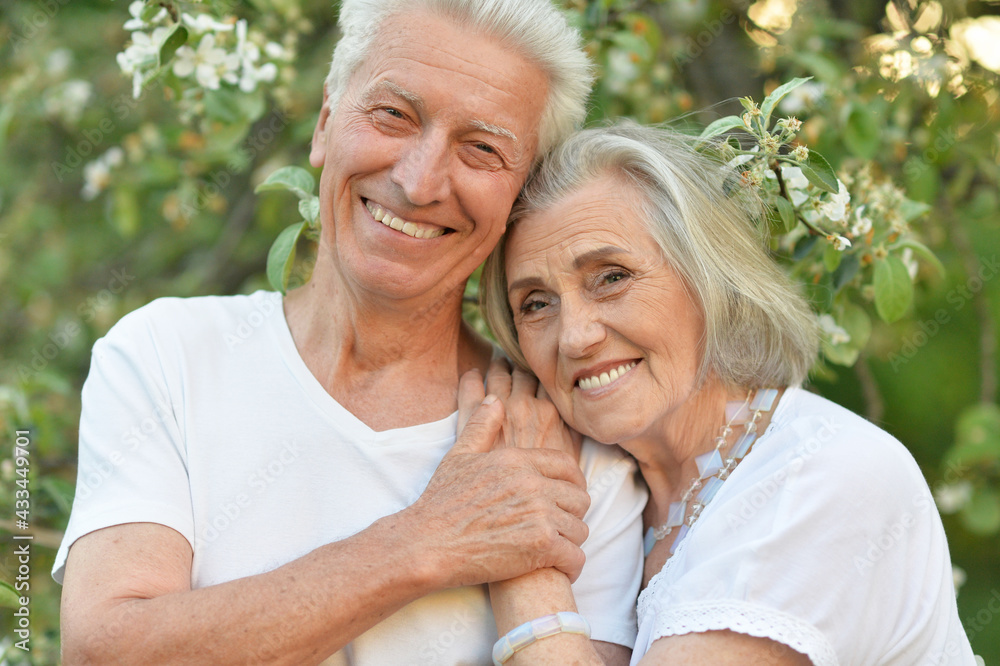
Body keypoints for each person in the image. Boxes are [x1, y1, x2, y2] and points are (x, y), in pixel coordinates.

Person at [54, 2, 646, 664]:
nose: (418, 182)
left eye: (482, 149)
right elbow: (104, 653)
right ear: (326, 124)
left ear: (520, 201)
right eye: (394, 115)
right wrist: (426, 541)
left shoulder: (575, 452)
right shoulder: (168, 355)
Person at [479, 123, 977, 665]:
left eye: (611, 276)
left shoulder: (825, 472)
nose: (575, 336)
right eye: (535, 303)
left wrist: (522, 554)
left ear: (708, 277)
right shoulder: (612, 486)